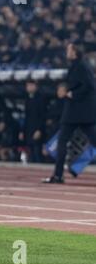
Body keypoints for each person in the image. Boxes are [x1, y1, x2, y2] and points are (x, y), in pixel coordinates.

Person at [43, 42, 96, 183]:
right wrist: (64, 89)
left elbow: (90, 85)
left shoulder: (82, 66)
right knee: (62, 141)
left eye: (69, 49)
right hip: (75, 112)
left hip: (81, 112)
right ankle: (58, 175)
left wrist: (72, 93)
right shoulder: (76, 66)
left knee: (64, 142)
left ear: (75, 52)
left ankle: (58, 175)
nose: (66, 51)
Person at [19, 80, 46, 163]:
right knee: (30, 152)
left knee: (37, 151)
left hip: (37, 129)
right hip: (28, 129)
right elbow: (26, 116)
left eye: (31, 85)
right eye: (28, 86)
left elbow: (43, 116)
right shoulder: (27, 99)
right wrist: (22, 131)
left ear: (36, 86)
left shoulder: (41, 99)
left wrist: (39, 129)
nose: (29, 88)